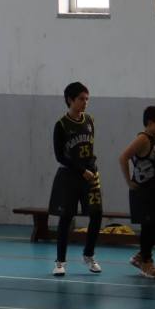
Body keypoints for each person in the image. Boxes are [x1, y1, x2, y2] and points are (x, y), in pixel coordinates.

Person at [48, 81, 102, 276]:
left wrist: (91, 168)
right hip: (69, 177)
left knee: (96, 214)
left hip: (89, 176)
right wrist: (81, 170)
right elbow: (60, 156)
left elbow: (90, 150)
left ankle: (89, 255)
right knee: (66, 217)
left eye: (87, 99)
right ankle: (60, 261)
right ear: (70, 100)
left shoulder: (90, 121)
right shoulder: (61, 125)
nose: (85, 102)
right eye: (81, 99)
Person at [118, 106, 155, 280]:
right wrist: (128, 181)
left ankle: (141, 255)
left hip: (154, 188)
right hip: (143, 190)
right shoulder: (143, 139)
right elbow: (123, 157)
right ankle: (146, 261)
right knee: (148, 225)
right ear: (150, 123)